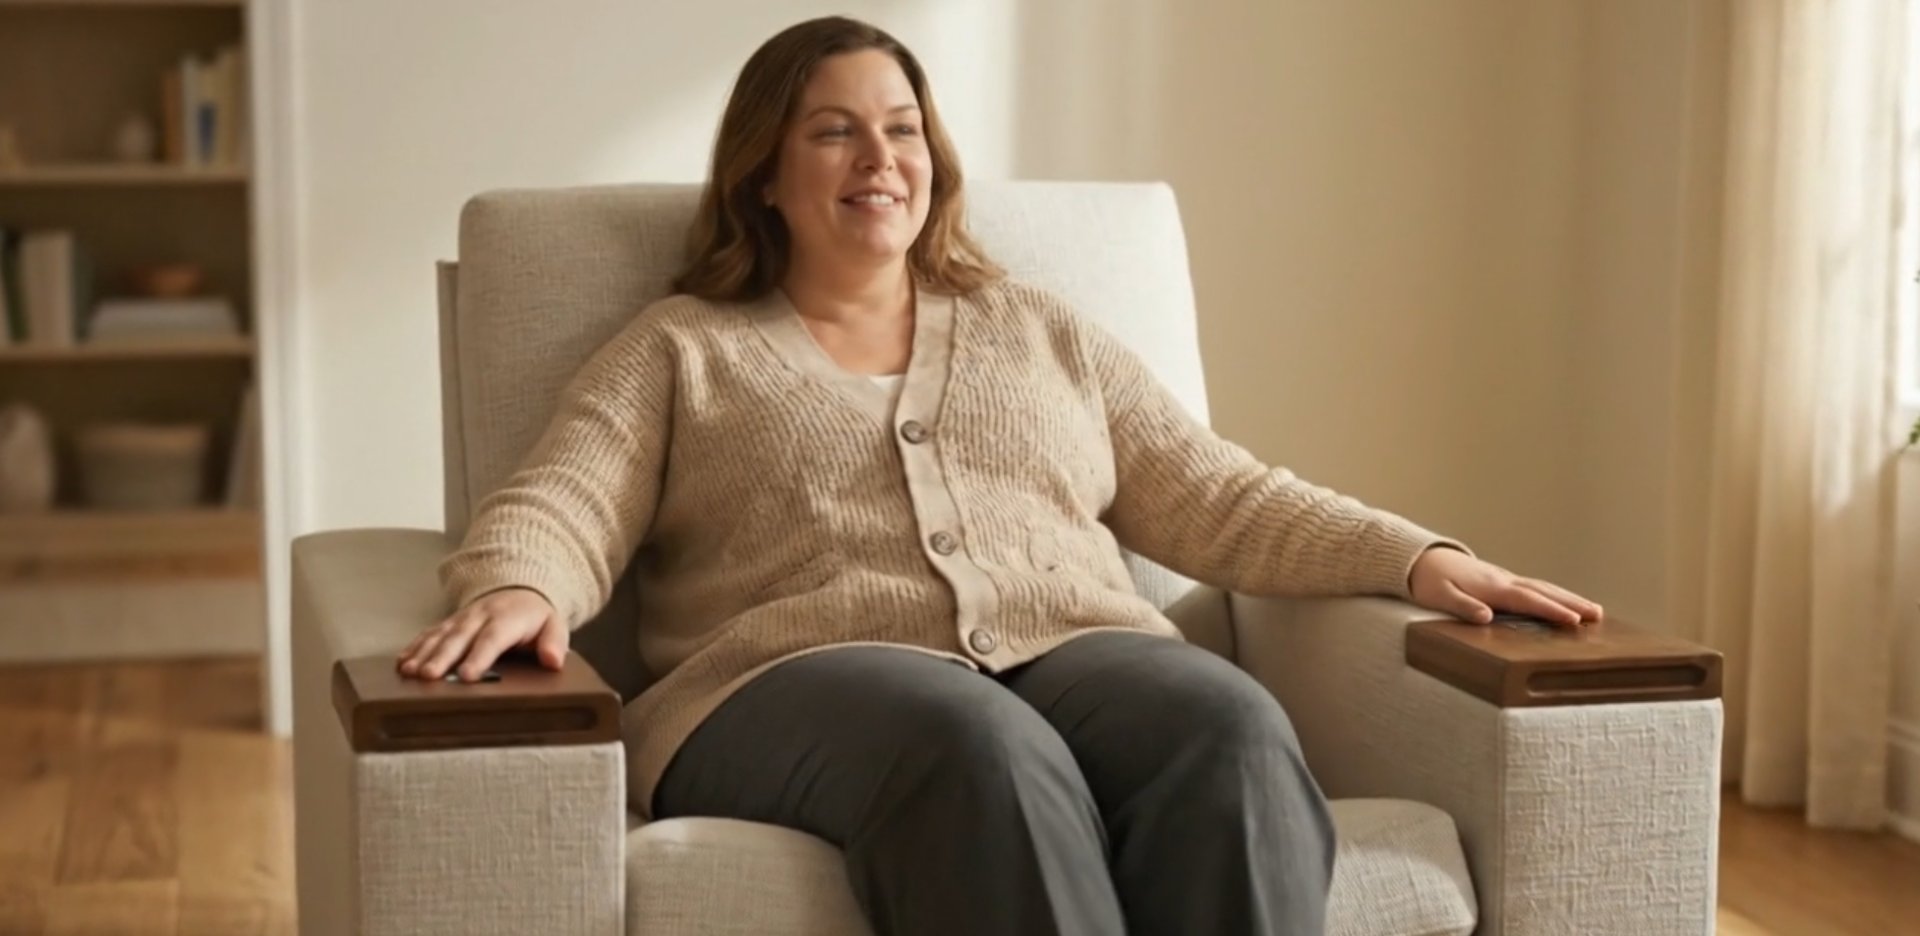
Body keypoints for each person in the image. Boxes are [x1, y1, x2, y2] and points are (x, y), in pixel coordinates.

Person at [397, 15, 1602, 936]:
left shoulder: (1034, 328)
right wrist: (521, 586)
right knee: (975, 742)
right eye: (835, 129)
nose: (882, 157)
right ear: (765, 169)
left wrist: (1417, 555)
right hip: (785, 683)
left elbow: (1218, 493)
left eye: (904, 128)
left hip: (1074, 650)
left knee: (1225, 723)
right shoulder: (680, 347)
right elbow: (564, 496)